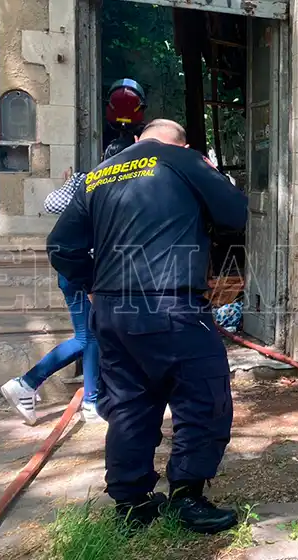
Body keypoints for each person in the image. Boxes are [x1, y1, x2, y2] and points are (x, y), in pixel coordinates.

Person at [47, 119, 248, 534]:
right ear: (184, 143)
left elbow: (61, 245)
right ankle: (187, 498)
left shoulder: (100, 173)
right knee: (203, 396)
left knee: (128, 405)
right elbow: (235, 213)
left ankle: (132, 502)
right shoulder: (184, 160)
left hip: (112, 311)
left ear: (138, 140)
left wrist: (93, 284)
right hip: (170, 304)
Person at [0, 137, 135, 425]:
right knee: (89, 336)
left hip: (74, 269)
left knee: (90, 335)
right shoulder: (115, 187)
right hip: (85, 272)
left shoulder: (83, 181)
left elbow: (51, 203)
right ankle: (35, 384)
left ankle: (85, 398)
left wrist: (69, 187)